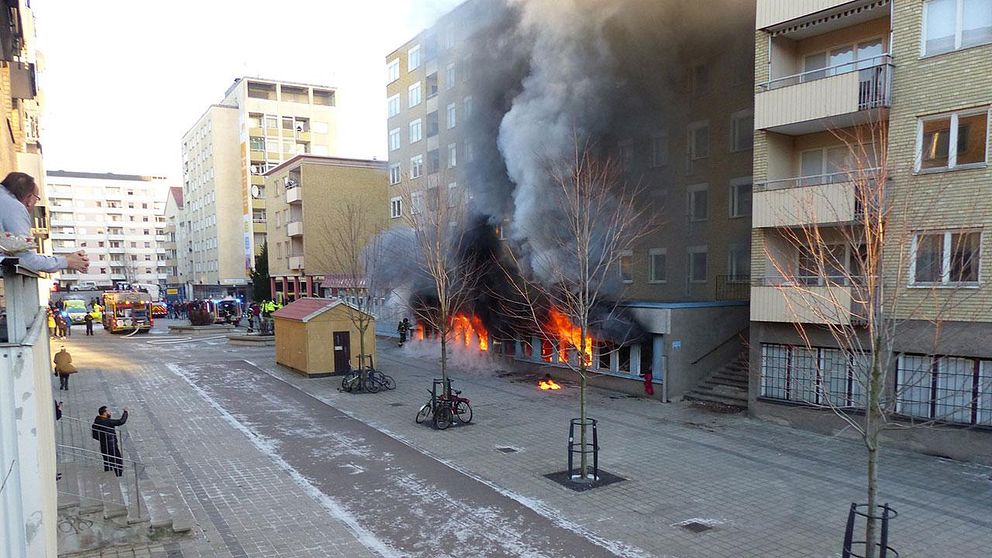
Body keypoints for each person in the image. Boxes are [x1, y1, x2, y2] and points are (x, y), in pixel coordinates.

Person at [0, 172, 89, 273]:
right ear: (29, 198)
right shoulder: (15, 207)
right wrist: (66, 261)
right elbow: (26, 260)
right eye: (36, 199)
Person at [91, 406, 128, 477]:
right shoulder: (107, 422)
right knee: (117, 460)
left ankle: (108, 474)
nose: (110, 412)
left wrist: (102, 438)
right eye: (108, 411)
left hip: (103, 445)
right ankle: (118, 475)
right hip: (111, 445)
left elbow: (95, 435)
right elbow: (121, 421)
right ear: (104, 413)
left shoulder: (97, 421)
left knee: (107, 461)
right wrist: (125, 412)